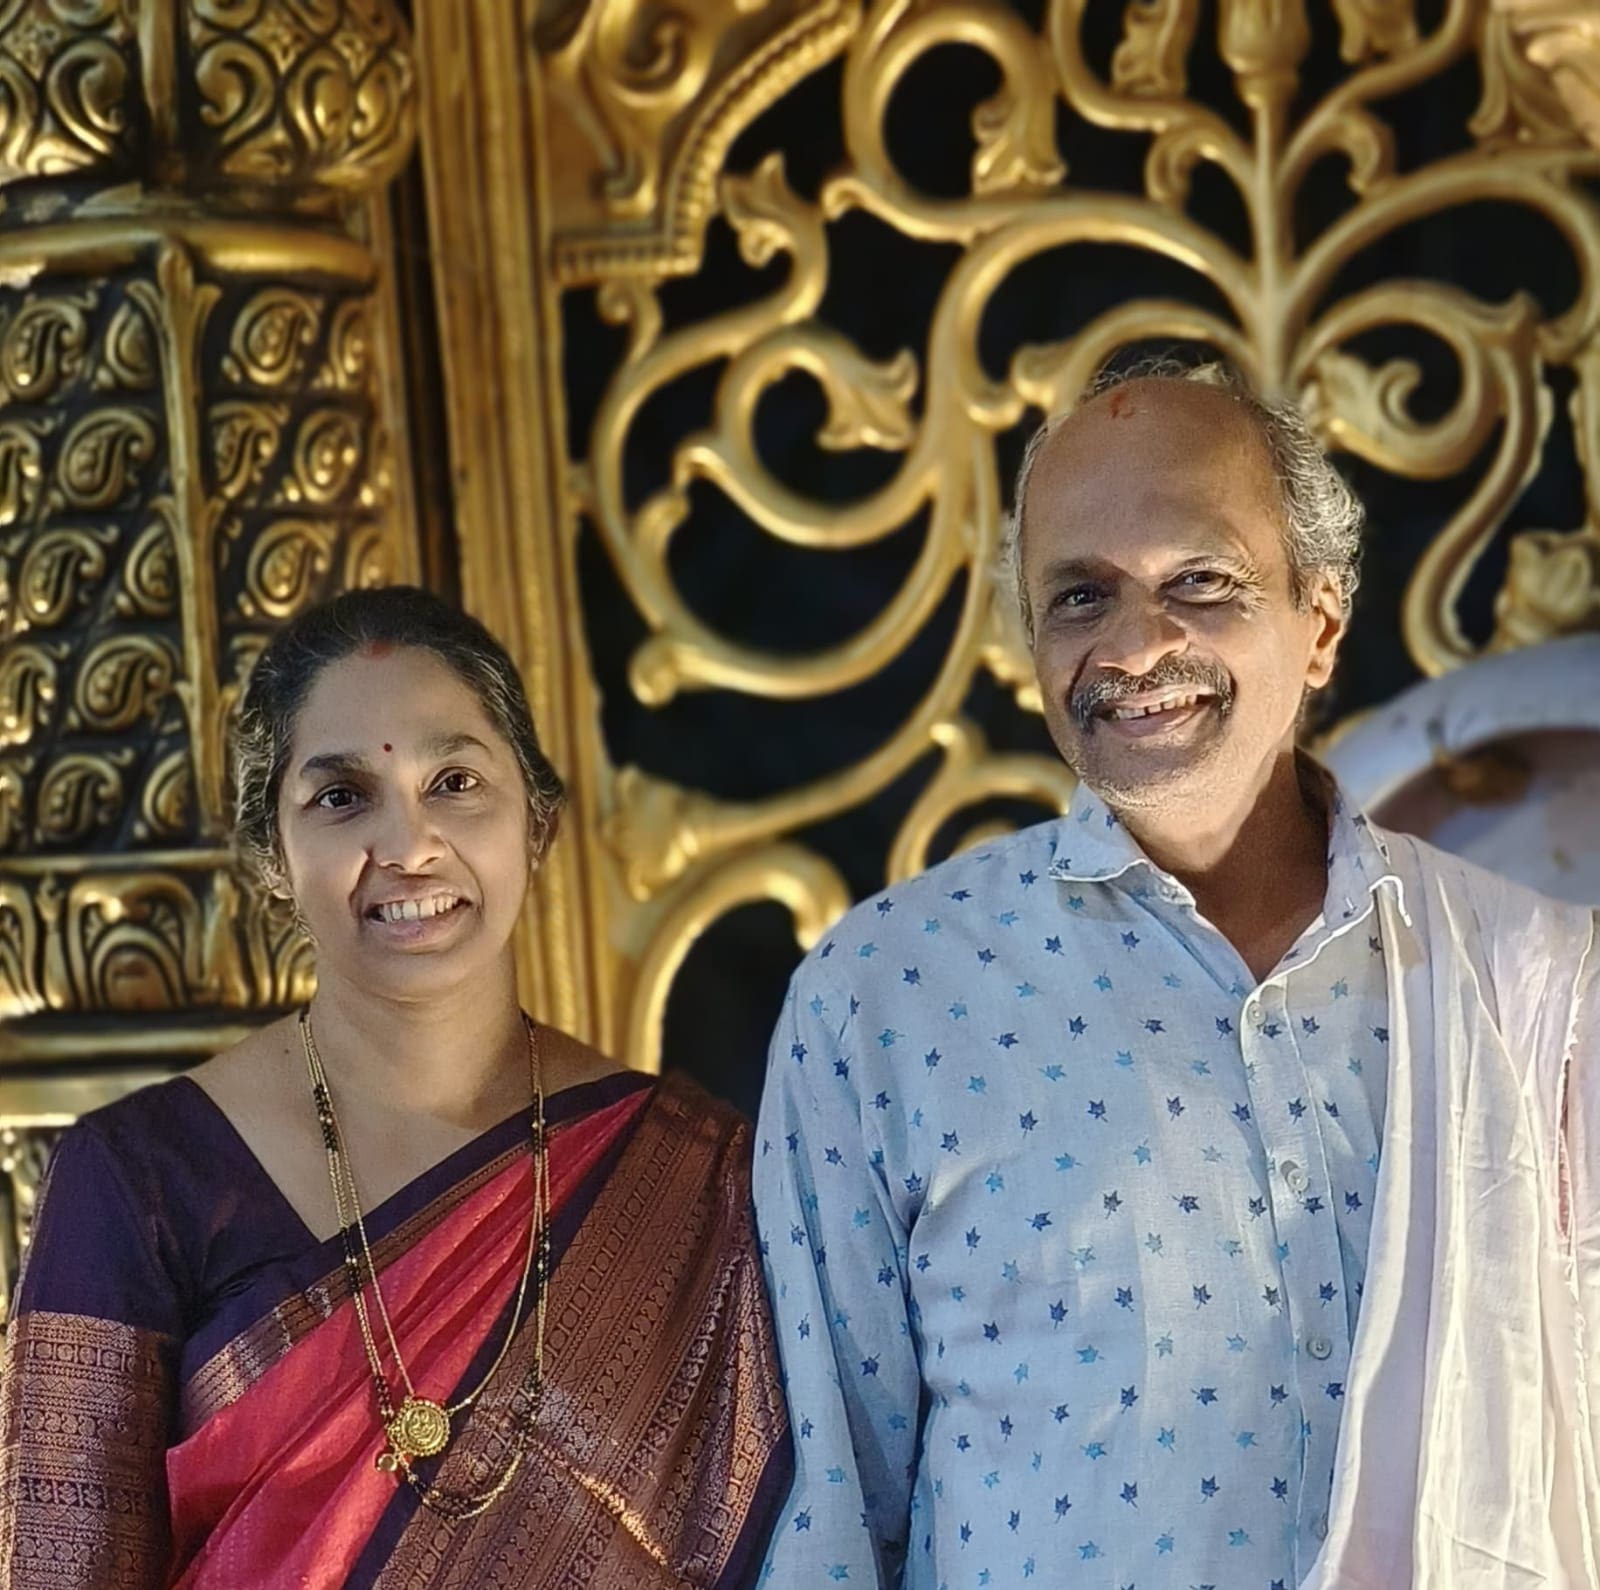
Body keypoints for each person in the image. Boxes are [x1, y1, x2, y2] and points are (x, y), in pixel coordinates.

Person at [753, 361, 1599, 1588]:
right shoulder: (882, 998)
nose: (1136, 646)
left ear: (1319, 624)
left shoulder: (1534, 984)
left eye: (1200, 582)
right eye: (1080, 596)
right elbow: (828, 1518)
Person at [0, 586, 790, 1589]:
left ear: (538, 823)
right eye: (342, 797)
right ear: (272, 857)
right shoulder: (136, 1179)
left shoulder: (694, 1181)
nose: (411, 846)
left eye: (455, 782)